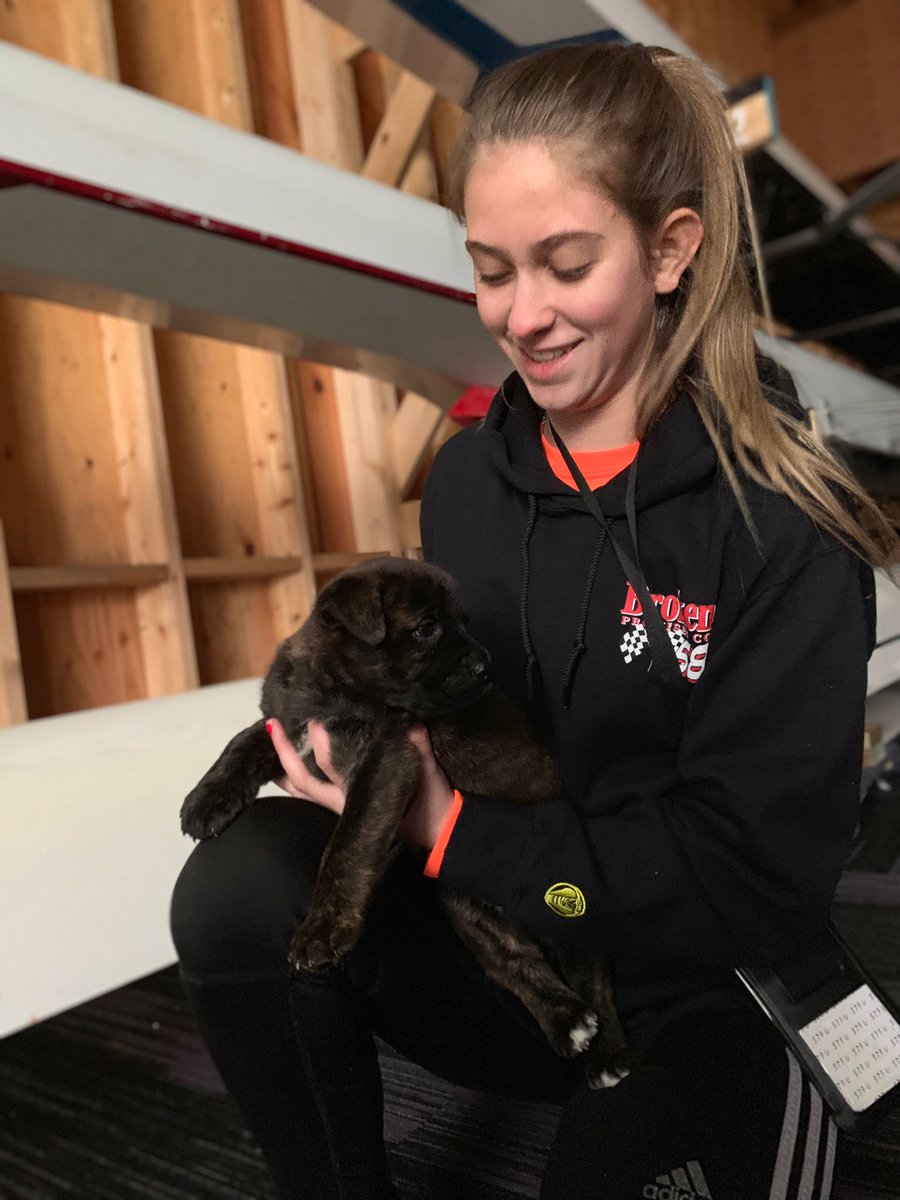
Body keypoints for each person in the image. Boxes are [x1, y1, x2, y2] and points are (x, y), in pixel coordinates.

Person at [170, 42, 896, 1200]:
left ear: (670, 250)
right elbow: (432, 717)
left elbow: (753, 885)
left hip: (691, 978)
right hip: (503, 936)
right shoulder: (465, 484)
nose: (523, 316)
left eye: (566, 264)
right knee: (239, 885)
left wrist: (454, 828)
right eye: (492, 270)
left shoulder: (787, 522)